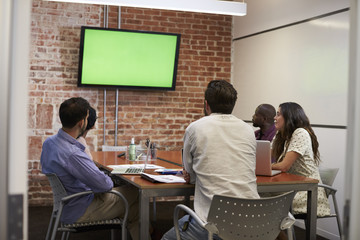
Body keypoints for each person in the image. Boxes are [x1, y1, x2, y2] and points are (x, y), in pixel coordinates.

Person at [161, 80, 260, 240]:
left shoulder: (195, 128)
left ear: (206, 104)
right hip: (254, 223)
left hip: (213, 227)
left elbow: (191, 177)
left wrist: (191, 175)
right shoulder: (248, 130)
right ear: (233, 104)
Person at [40, 97, 140, 240]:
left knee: (134, 211)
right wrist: (107, 177)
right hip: (80, 208)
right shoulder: (73, 153)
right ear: (82, 123)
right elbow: (104, 185)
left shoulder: (50, 142)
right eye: (87, 118)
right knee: (136, 192)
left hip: (65, 204)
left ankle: (148, 233)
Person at [271, 102, 330, 217]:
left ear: (289, 117)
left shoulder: (300, 133)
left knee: (264, 199)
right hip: (292, 187)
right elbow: (265, 155)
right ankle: (278, 235)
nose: (274, 118)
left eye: (278, 114)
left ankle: (280, 235)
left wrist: (264, 166)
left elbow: (284, 166)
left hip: (307, 193)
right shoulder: (282, 135)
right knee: (260, 196)